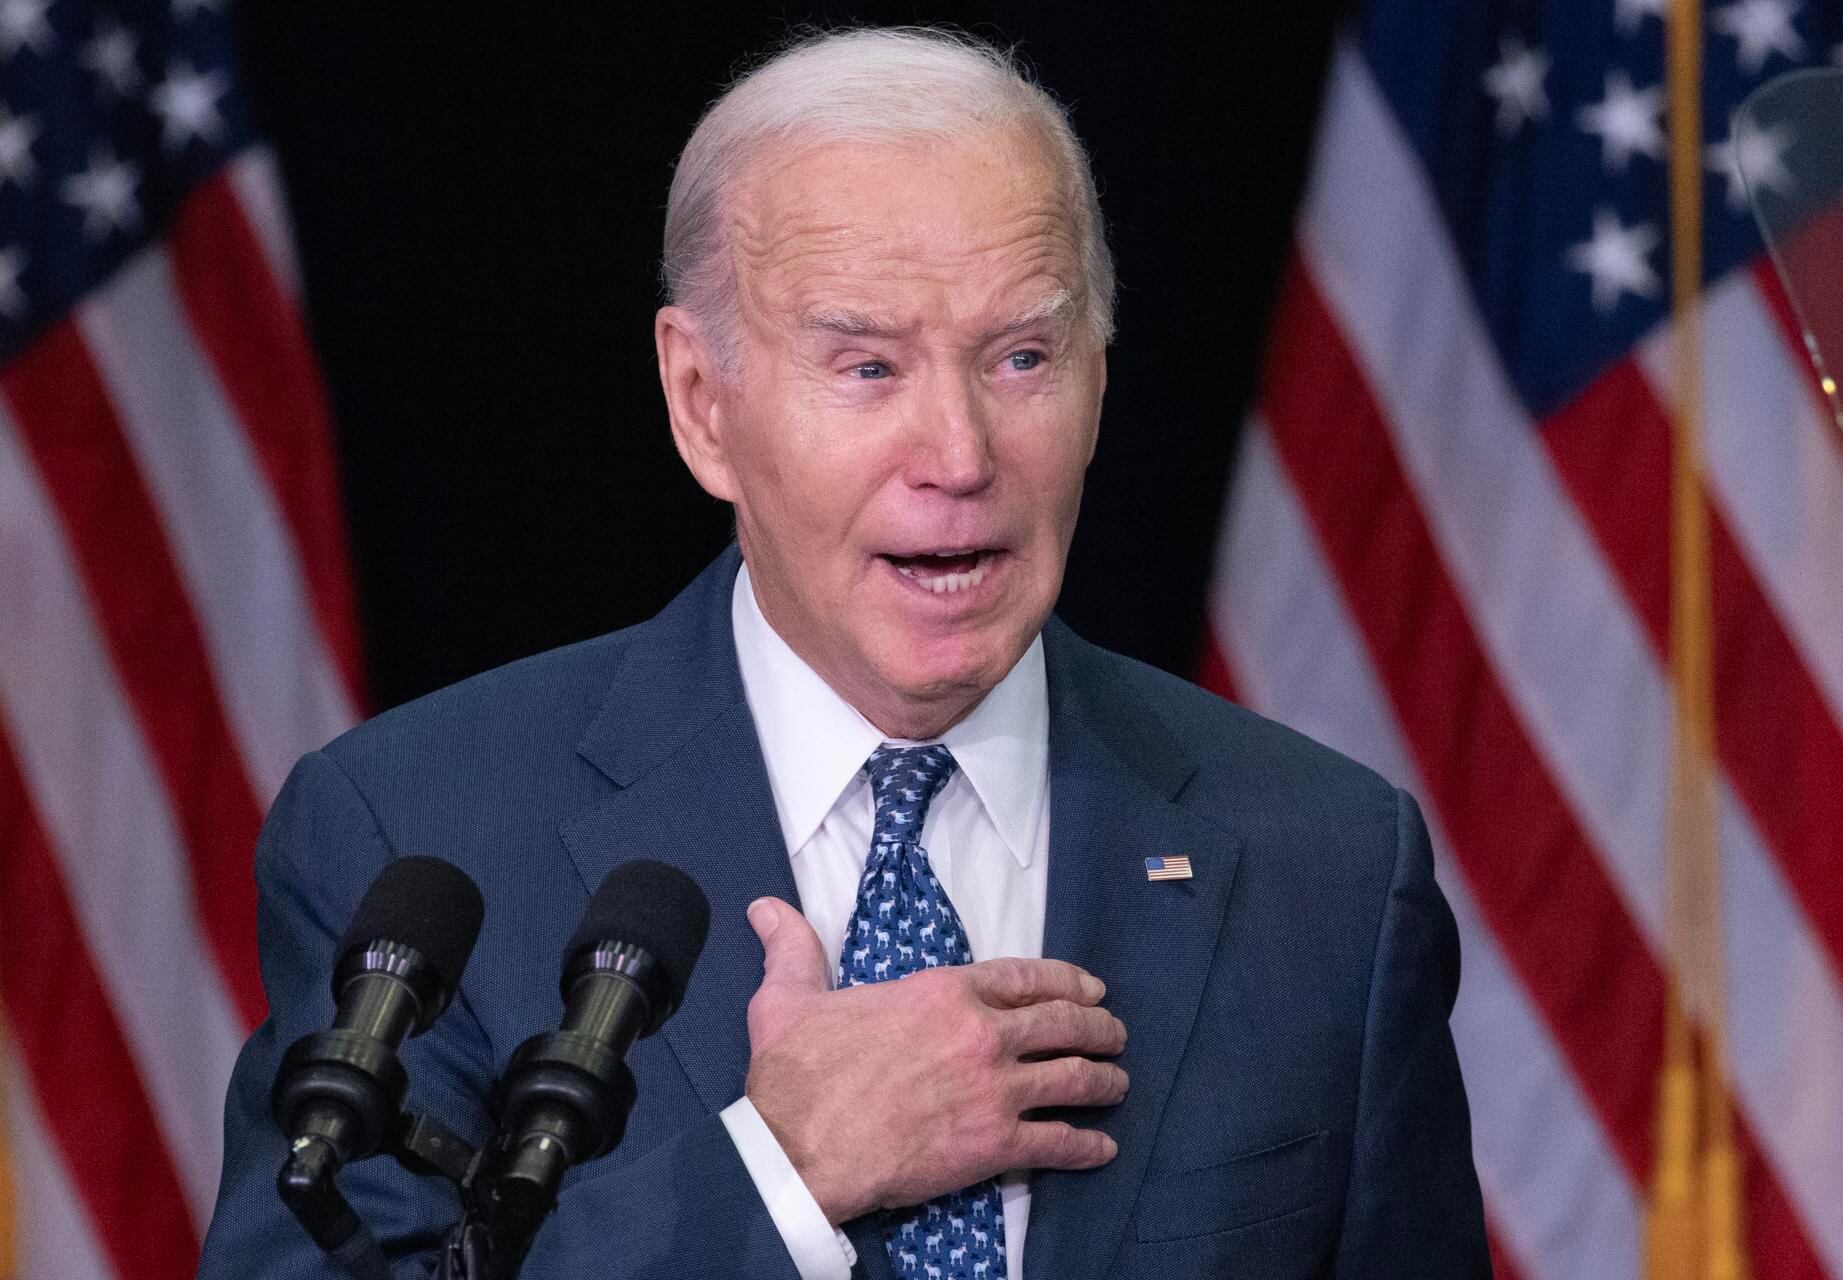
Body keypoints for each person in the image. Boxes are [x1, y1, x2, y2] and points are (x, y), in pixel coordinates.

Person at [198, 26, 1490, 1280]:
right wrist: (781, 1174)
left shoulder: (1330, 873)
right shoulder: (420, 833)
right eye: (868, 367)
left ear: (1101, 381)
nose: (962, 454)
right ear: (703, 405)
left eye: (1024, 358)